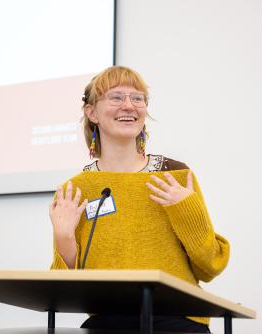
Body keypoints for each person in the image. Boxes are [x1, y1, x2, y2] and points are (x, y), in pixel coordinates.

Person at [49, 66, 229, 333]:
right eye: (116, 97)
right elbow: (65, 290)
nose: (129, 106)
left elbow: (210, 267)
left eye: (138, 98)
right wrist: (64, 238)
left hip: (178, 321)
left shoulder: (174, 175)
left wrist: (186, 210)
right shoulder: (75, 189)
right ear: (92, 112)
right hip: (107, 323)